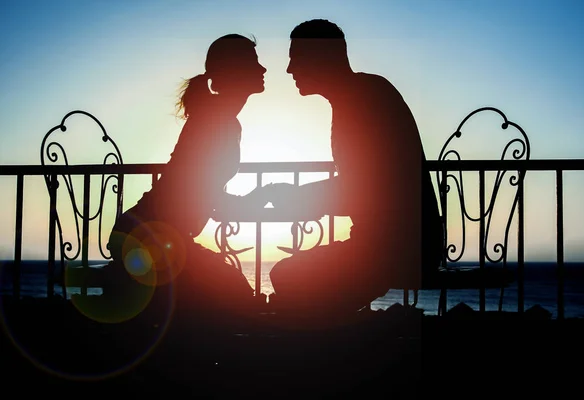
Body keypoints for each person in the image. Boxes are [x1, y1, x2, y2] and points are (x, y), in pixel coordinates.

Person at [268, 19, 443, 320]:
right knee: (289, 282)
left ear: (321, 59)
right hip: (395, 245)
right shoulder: (363, 94)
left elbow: (366, 188)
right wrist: (295, 196)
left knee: (287, 278)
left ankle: (332, 350)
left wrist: (296, 198)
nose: (289, 69)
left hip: (394, 251)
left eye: (296, 58)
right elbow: (362, 184)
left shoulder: (364, 99)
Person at [104, 34, 270, 327]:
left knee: (231, 303)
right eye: (254, 62)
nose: (263, 69)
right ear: (234, 73)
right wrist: (258, 204)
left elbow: (197, 189)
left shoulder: (216, 116)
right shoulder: (218, 120)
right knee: (238, 304)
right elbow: (196, 190)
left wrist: (251, 204)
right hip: (152, 238)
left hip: (150, 235)